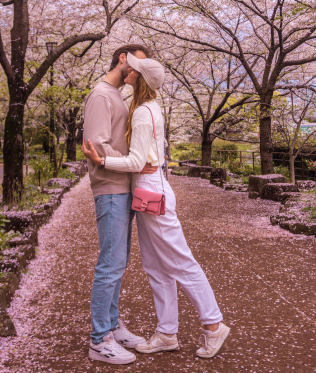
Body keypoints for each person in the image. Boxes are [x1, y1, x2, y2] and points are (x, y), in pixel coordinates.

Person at [83, 53, 230, 360]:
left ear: (140, 79)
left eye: (134, 71)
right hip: (146, 191)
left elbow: (138, 161)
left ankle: (214, 324)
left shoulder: (141, 112)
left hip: (150, 190)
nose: (129, 72)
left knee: (179, 261)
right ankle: (166, 333)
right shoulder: (144, 107)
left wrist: (102, 160)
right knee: (155, 266)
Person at [83, 44, 158, 365]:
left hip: (122, 186)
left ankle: (112, 325)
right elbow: (95, 148)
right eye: (138, 64)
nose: (140, 72)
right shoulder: (101, 95)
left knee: (118, 263)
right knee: (110, 264)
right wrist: (133, 162)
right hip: (110, 188)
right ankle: (99, 339)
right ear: (123, 59)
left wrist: (136, 162)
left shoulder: (116, 96)